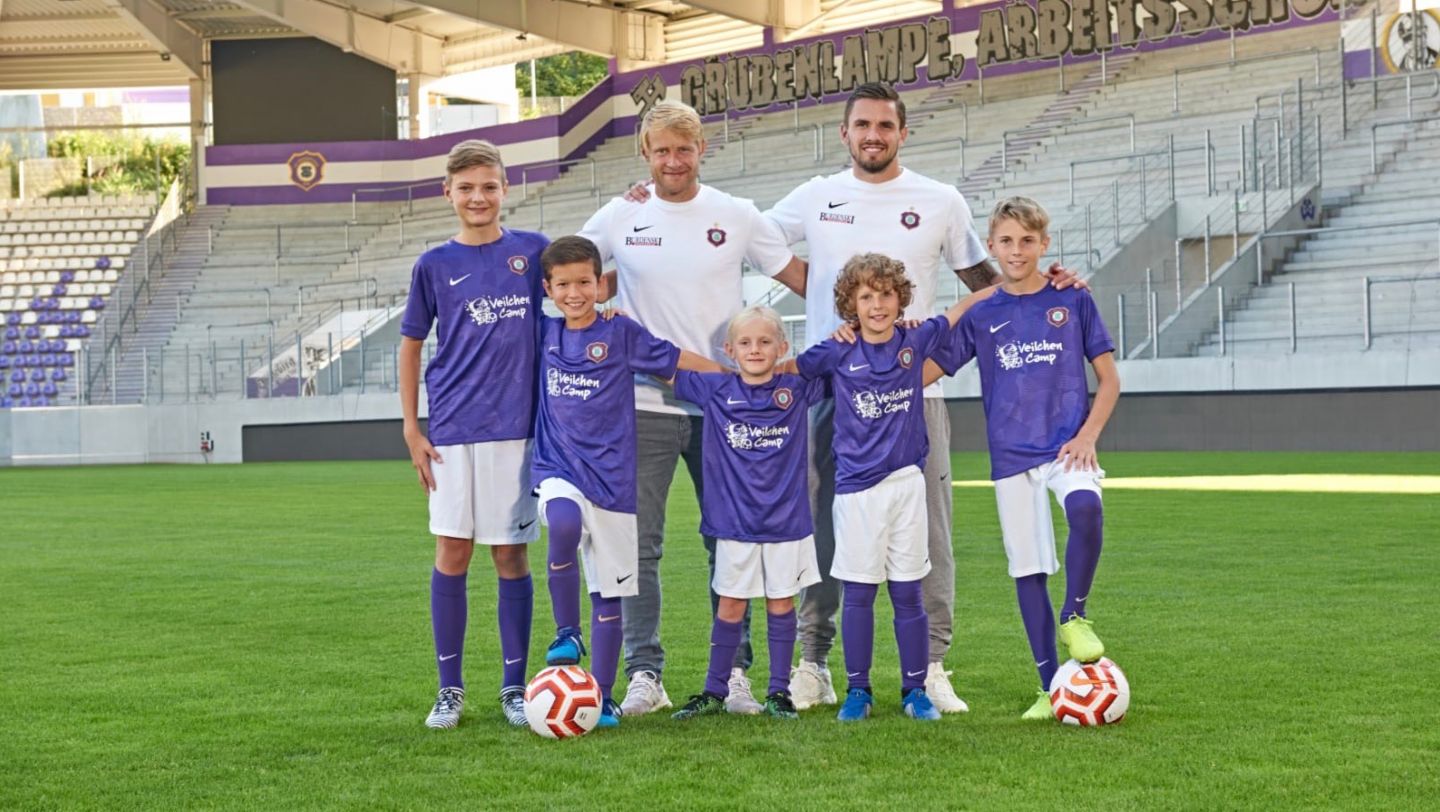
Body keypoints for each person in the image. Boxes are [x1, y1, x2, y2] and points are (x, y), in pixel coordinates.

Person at [765, 82, 1088, 712]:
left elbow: (990, 281)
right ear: (844, 133)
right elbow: (751, 239)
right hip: (837, 394)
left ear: (903, 133)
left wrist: (1051, 283)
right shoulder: (815, 196)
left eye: (885, 125)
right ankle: (815, 662)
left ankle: (932, 665)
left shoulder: (939, 200)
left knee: (931, 534)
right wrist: (815, 290)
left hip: (915, 396)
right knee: (823, 527)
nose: (873, 135)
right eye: (861, 125)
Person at [579, 100, 806, 717]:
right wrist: (599, 308)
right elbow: (566, 270)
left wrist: (875, 313)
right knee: (638, 545)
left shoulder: (736, 214)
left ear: (702, 149)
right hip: (641, 405)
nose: (673, 161)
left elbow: (804, 276)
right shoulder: (621, 215)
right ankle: (644, 675)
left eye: (684, 148)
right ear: (644, 154)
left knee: (731, 542)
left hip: (728, 410)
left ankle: (734, 672)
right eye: (661, 150)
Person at [933, 197, 1120, 720]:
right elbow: (928, 371)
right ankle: (1048, 689)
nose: (1017, 251)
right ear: (991, 247)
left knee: (1087, 510)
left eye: (1027, 241)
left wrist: (1088, 436)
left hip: (1066, 447)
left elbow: (1109, 380)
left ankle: (1075, 615)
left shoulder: (1072, 299)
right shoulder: (982, 312)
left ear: (1045, 244)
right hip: (1011, 458)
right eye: (1006, 241)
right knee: (1028, 569)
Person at [793, 253, 998, 721]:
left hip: (907, 485)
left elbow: (957, 313)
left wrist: (1001, 290)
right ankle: (858, 691)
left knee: (908, 592)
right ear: (851, 304)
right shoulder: (836, 350)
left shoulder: (913, 340)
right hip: (857, 493)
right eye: (866, 296)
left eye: (886, 294)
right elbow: (797, 370)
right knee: (860, 593)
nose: (878, 304)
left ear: (899, 298)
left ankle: (914, 690)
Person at [530, 235, 720, 728]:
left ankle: (605, 696)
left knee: (610, 593)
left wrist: (731, 376)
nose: (574, 293)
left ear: (601, 284)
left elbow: (675, 361)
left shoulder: (620, 332)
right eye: (563, 284)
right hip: (559, 468)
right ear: (548, 289)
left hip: (613, 478)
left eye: (584, 282)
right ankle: (566, 631)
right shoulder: (541, 333)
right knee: (564, 526)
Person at [399, 139, 547, 729]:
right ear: (448, 193)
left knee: (510, 554)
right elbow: (410, 348)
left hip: (519, 430)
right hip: (453, 430)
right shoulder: (433, 264)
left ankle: (514, 687)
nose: (478, 197)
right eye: (466, 188)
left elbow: (590, 278)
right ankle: (450, 689)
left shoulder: (533, 253)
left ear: (505, 188)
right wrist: (411, 427)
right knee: (453, 551)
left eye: (489, 186)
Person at [665, 306, 825, 721]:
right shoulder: (714, 389)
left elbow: (840, 363)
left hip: (786, 523)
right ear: (729, 349)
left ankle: (778, 692)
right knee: (730, 605)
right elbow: (658, 362)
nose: (755, 349)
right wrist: (618, 328)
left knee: (781, 603)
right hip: (734, 524)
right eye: (746, 342)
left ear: (782, 347)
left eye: (765, 341)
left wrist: (847, 335)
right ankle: (715, 689)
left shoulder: (796, 388)